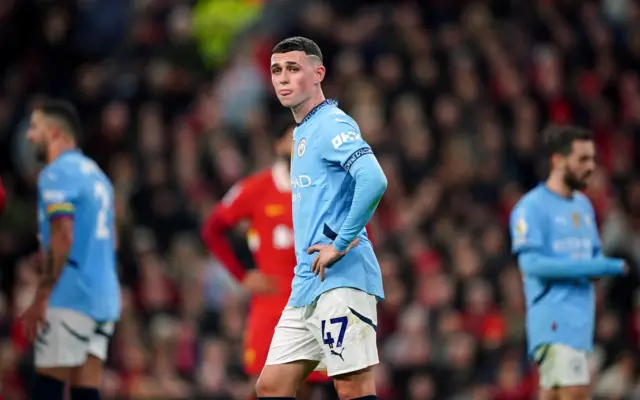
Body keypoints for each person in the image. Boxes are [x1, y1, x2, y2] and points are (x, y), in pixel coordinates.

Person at [256, 36, 387, 400]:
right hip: (308, 283)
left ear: (318, 74)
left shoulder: (331, 122)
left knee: (353, 388)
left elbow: (373, 178)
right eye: (276, 70)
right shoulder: (303, 132)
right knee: (271, 387)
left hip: (341, 279)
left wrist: (340, 243)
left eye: (293, 69)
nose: (282, 78)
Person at [200, 117, 333, 398]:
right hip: (271, 306)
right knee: (264, 386)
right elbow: (212, 229)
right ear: (278, 144)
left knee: (307, 389)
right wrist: (243, 275)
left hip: (313, 305)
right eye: (293, 137)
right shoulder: (256, 188)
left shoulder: (325, 189)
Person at [509, 125, 627, 400]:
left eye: (593, 159)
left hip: (580, 322)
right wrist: (602, 267)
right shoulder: (531, 207)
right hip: (553, 318)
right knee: (575, 393)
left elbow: (593, 256)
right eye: (582, 159)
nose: (591, 166)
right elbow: (532, 266)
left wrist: (601, 266)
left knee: (553, 394)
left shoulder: (583, 207)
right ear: (558, 160)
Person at [22, 99, 120, 400]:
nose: (29, 136)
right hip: (105, 297)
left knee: (46, 388)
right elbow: (112, 239)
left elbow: (63, 235)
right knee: (84, 388)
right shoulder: (97, 175)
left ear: (54, 132)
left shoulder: (56, 174)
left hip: (73, 295)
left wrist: (41, 295)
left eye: (35, 127)